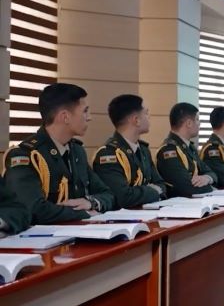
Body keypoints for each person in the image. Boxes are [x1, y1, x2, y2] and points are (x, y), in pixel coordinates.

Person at [4, 83, 114, 223]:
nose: (89, 117)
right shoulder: (27, 155)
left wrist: (90, 202)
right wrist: (83, 213)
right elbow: (31, 209)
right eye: (85, 111)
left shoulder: (77, 151)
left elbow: (108, 194)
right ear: (65, 117)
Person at [93, 94, 166, 208]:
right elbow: (123, 197)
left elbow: (161, 184)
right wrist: (153, 191)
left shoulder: (143, 149)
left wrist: (143, 191)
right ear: (136, 120)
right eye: (146, 113)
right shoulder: (109, 154)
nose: (149, 117)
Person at [156, 103, 217, 197]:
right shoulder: (168, 150)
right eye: (197, 119)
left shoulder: (190, 147)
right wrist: (211, 187)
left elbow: (211, 173)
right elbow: (187, 187)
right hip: (179, 204)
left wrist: (207, 178)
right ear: (189, 123)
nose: (199, 123)